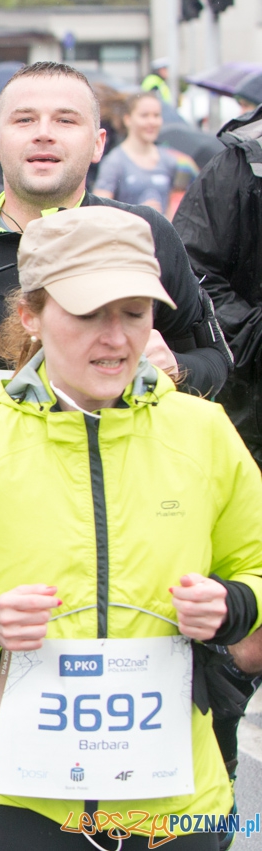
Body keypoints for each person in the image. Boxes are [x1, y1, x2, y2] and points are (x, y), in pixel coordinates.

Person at [0, 204, 259, 851]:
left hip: (174, 799)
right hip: (16, 799)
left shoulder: (204, 432)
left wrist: (234, 604)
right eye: (88, 313)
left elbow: (257, 570)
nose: (115, 337)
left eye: (134, 313)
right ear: (31, 315)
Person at [0, 61, 228, 439]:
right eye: (24, 120)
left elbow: (216, 358)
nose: (44, 134)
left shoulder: (144, 236)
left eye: (66, 120)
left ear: (98, 143)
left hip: (118, 487)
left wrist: (178, 370)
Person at [168, 101, 262, 804]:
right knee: (239, 617)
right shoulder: (243, 162)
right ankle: (210, 793)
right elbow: (191, 276)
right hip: (249, 415)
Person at [93, 91, 198, 217]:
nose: (152, 122)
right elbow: (98, 213)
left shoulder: (169, 160)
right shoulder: (114, 162)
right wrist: (138, 213)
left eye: (156, 115)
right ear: (128, 119)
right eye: (144, 116)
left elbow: (174, 204)